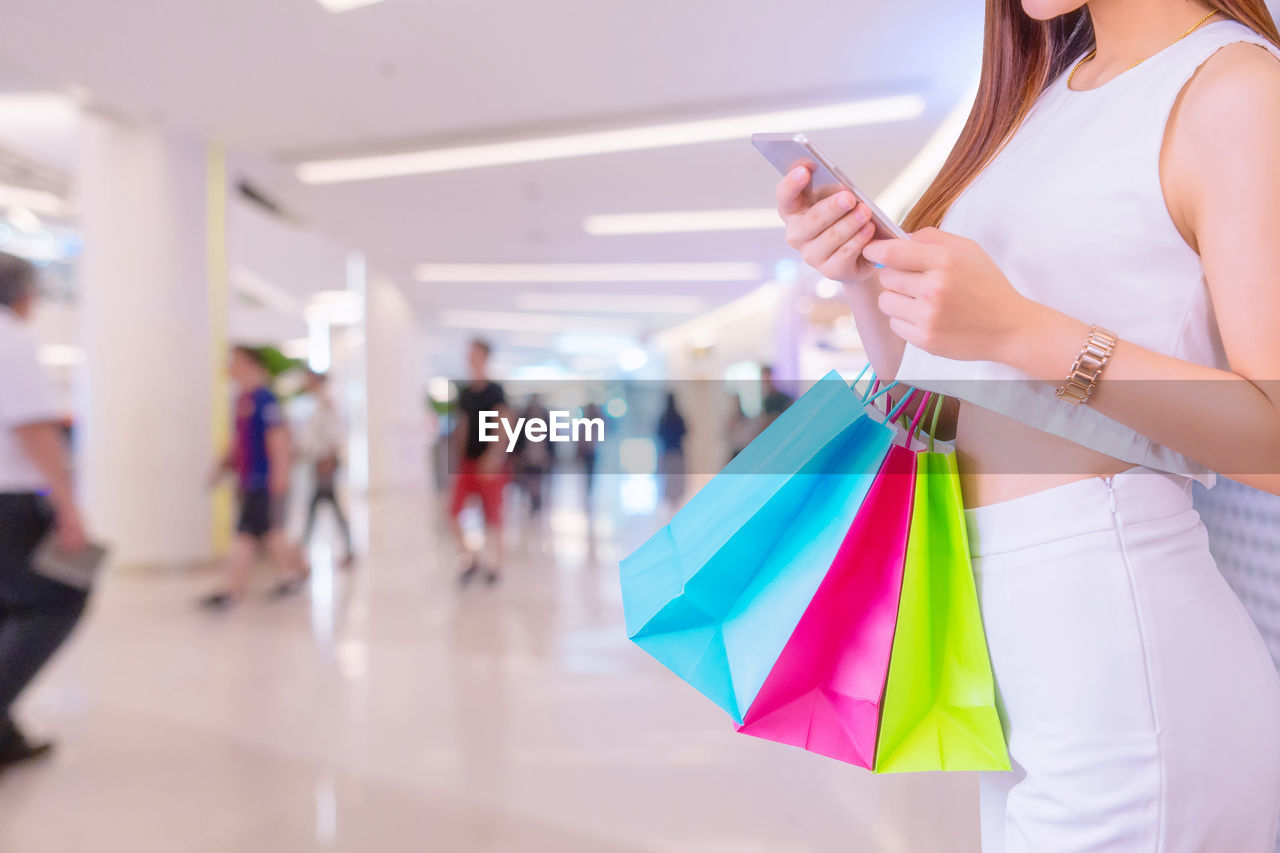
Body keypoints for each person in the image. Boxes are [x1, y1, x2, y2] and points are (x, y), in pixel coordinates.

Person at [777, 3, 1280, 849]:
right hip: (1002, 631)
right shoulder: (1047, 94)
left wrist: (1021, 329)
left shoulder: (1236, 90)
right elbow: (936, 398)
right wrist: (866, 276)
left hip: (1118, 640)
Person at [0, 252, 91, 768]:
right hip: (10, 500)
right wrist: (68, 505)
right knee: (60, 597)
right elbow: (34, 427)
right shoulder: (10, 339)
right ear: (24, 295)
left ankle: (4, 733)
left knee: (8, 606)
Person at [202, 346, 308, 609]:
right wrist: (221, 467)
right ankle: (290, 574)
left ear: (249, 363)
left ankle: (241, 587)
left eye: (234, 361)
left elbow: (279, 440)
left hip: (264, 480)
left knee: (263, 533)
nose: (229, 367)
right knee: (258, 533)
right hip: (249, 480)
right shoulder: (243, 399)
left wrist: (280, 476)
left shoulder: (265, 399)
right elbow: (238, 442)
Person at [450, 339, 507, 586]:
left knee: (492, 515)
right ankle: (471, 559)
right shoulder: (465, 393)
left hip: (489, 463)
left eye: (474, 353)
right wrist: (458, 458)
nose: (470, 357)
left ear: (485, 356)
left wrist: (494, 456)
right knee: (453, 513)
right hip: (468, 463)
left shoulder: (495, 391)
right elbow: (462, 427)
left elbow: (504, 423)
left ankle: (493, 563)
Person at [300, 370, 354, 568]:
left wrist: (328, 461)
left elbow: (335, 435)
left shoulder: (327, 404)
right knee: (322, 508)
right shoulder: (317, 404)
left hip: (325, 464)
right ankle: (304, 552)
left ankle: (302, 553)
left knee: (318, 508)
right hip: (320, 462)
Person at [513, 393, 553, 518]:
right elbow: (517, 437)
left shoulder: (546, 417)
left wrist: (550, 454)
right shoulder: (523, 417)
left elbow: (552, 439)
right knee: (527, 480)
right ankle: (531, 501)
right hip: (527, 455)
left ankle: (536, 503)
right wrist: (516, 454)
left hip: (540, 455)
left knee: (537, 480)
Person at [656, 392, 687, 507]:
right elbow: (685, 433)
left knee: (670, 478)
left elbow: (659, 433)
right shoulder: (678, 417)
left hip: (668, 452)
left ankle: (672, 499)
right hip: (676, 451)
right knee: (676, 478)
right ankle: (674, 499)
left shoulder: (664, 417)